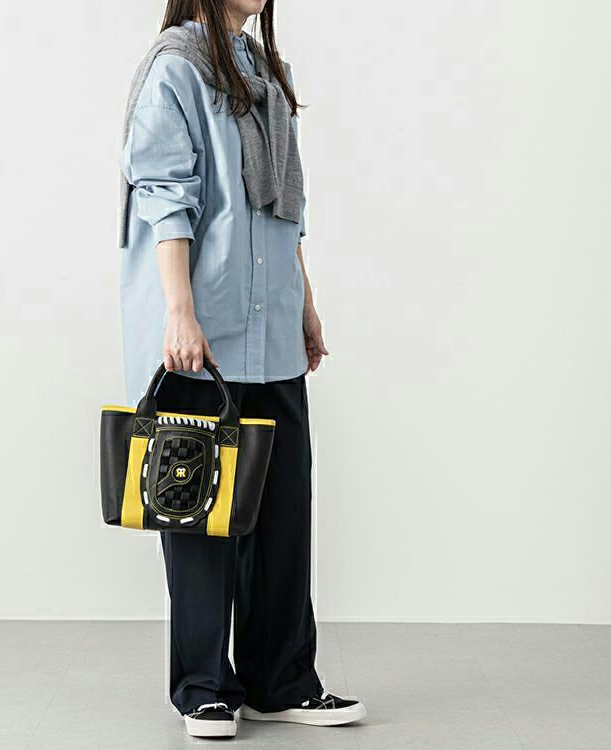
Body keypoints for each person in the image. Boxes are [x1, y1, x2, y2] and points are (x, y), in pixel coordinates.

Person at [118, 0, 366, 738]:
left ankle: (280, 680)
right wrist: (179, 311)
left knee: (283, 512)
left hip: (272, 325)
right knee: (197, 513)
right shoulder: (175, 69)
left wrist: (306, 305)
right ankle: (203, 687)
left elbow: (287, 212)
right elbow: (164, 196)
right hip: (203, 331)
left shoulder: (266, 72)